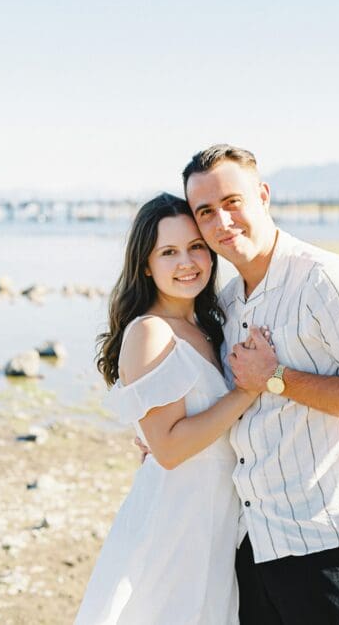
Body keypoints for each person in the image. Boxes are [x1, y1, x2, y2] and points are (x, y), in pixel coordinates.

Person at [182, 144, 339, 624]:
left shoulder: (327, 280)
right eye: (205, 212)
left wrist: (278, 377)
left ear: (263, 196)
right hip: (257, 539)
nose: (222, 221)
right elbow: (234, 402)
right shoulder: (227, 303)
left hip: (329, 540)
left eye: (232, 202)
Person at [76, 193, 264, 624]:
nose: (187, 262)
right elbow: (169, 449)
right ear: (146, 263)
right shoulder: (150, 332)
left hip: (213, 520)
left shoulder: (206, 326)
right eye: (169, 252)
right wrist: (247, 391)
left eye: (196, 247)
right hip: (174, 522)